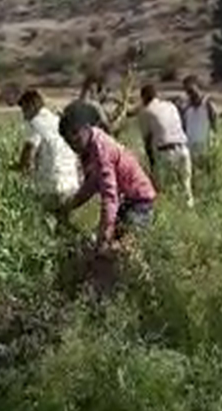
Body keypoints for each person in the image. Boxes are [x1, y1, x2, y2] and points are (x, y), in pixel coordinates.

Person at [55, 104, 157, 287]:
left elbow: (109, 197)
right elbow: (91, 185)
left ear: (87, 128)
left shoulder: (101, 149)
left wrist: (104, 235)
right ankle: (126, 287)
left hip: (139, 201)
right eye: (69, 142)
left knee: (123, 249)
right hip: (127, 201)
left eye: (76, 136)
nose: (74, 145)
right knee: (112, 252)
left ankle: (148, 287)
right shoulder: (88, 148)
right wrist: (69, 206)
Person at [11, 89, 82, 210]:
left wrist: (20, 168)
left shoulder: (35, 123)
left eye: (24, 110)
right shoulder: (57, 120)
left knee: (36, 214)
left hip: (51, 186)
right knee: (62, 218)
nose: (24, 117)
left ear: (32, 107)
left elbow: (29, 151)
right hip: (72, 184)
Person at [137, 84, 195, 207]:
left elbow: (147, 140)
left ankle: (169, 213)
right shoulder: (171, 106)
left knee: (164, 191)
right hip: (183, 149)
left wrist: (152, 165)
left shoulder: (146, 111)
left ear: (144, 97)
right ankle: (189, 211)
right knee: (186, 188)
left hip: (166, 153)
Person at [179, 75, 219, 168]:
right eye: (188, 91)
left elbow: (215, 122)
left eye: (191, 90)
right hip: (190, 147)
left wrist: (215, 140)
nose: (190, 93)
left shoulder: (208, 104)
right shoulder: (185, 108)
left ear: (198, 87)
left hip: (206, 146)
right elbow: (183, 127)